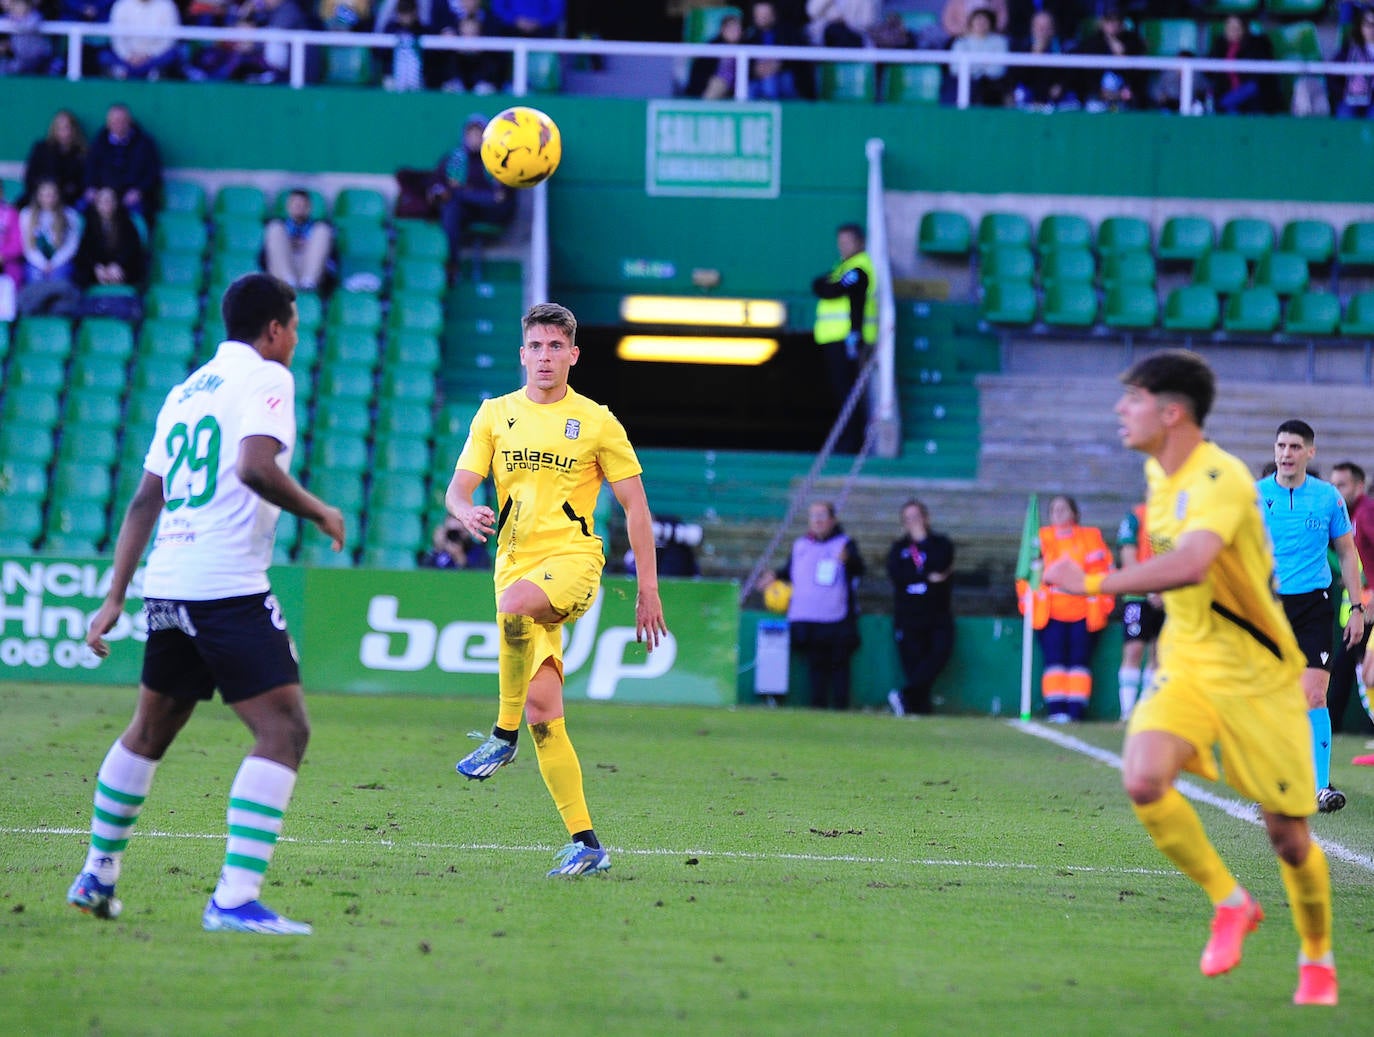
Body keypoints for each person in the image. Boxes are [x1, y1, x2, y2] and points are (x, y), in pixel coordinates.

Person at [1044, 350, 1338, 1007]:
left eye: (1134, 398)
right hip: (1187, 665)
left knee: (1288, 836)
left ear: (1171, 411)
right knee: (1143, 776)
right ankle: (1231, 902)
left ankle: (1317, 957)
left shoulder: (1221, 478)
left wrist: (1092, 582)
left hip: (1256, 675)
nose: (1121, 408)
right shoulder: (1157, 472)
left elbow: (1194, 562)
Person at [71, 272, 347, 935]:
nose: (296, 341)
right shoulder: (268, 378)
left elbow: (145, 500)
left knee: (150, 729)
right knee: (284, 730)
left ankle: (97, 872)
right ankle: (233, 899)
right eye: (296, 328)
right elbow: (255, 466)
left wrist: (116, 595)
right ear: (274, 329)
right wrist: (318, 509)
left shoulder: (186, 390)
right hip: (225, 582)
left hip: (169, 578)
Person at [445, 302, 668, 877]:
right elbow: (458, 488)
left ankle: (500, 733)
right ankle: (588, 843)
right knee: (546, 713)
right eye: (536, 347)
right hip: (513, 566)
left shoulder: (597, 421)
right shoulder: (494, 415)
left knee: (513, 610)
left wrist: (649, 588)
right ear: (523, 354)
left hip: (573, 561)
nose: (545, 357)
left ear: (573, 354)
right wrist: (465, 510)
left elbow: (636, 507)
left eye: (555, 347)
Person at [1257, 420, 1364, 813]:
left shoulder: (1327, 497)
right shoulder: (1255, 497)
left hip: (1316, 605)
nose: (1286, 453)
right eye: (1281, 446)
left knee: (1314, 694)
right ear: (1275, 450)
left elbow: (1348, 552)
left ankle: (1320, 788)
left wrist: (1357, 607)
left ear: (1310, 453)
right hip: (1268, 604)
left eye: (1295, 447)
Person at [1016, 494, 1112, 721]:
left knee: (1079, 662)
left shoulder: (1091, 537)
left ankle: (1076, 711)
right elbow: (1025, 576)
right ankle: (1056, 710)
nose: (1058, 513)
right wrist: (1027, 604)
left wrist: (1104, 605)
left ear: (1075, 513)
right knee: (1054, 661)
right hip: (1050, 613)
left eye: (1063, 508)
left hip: (1084, 612)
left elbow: (1105, 572)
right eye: (1054, 509)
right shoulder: (1040, 539)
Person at [762, 501, 866, 711]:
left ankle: (840, 709)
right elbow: (789, 571)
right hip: (807, 617)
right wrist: (773, 576)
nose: (817, 521)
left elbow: (859, 568)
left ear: (832, 520)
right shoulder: (801, 545)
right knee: (815, 666)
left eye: (822, 516)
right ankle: (816, 708)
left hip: (836, 618)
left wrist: (849, 560)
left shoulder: (844, 544)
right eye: (813, 516)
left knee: (839, 666)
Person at [886, 498, 955, 717]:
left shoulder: (941, 544)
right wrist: (925, 576)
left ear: (926, 518)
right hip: (909, 616)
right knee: (914, 665)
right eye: (908, 519)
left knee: (939, 653)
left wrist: (922, 543)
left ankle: (905, 695)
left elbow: (942, 567)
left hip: (937, 613)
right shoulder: (898, 549)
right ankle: (919, 712)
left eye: (916, 517)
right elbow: (898, 576)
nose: (912, 523)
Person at [810, 222, 875, 454]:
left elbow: (830, 289)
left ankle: (852, 442)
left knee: (849, 393)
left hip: (848, 340)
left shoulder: (858, 269)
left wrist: (854, 335)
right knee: (841, 392)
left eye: (848, 242)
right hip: (834, 339)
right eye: (841, 242)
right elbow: (819, 284)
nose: (843, 247)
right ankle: (846, 440)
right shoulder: (842, 267)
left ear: (860, 242)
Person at [1327, 461, 1374, 745]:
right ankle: (1328, 729)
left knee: (1352, 668)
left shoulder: (1366, 513)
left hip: (1370, 606)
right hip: (1365, 605)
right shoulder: (1351, 514)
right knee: (1350, 668)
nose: (1337, 491)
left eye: (1342, 485)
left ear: (1358, 485)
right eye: (1333, 485)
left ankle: (1327, 730)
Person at [434, 114, 517, 274]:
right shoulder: (454, 159)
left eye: (478, 134)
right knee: (452, 206)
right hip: (466, 211)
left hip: (492, 211)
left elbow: (502, 197)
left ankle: (461, 195)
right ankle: (451, 266)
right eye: (470, 134)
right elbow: (437, 183)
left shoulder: (498, 159)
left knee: (458, 196)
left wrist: (461, 192)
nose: (474, 138)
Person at [1114, 501, 1163, 723]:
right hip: (1137, 595)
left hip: (1168, 595)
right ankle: (1127, 712)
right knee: (1134, 650)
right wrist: (1148, 586)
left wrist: (1163, 588)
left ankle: (1147, 712)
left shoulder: (1180, 513)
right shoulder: (1135, 516)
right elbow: (1128, 555)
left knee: (1159, 653)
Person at [85, 103, 164, 221]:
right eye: (114, 121)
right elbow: (90, 169)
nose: (119, 125)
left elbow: (153, 174)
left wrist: (139, 191)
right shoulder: (99, 142)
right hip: (104, 194)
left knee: (138, 216)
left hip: (132, 195)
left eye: (122, 120)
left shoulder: (144, 143)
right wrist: (91, 188)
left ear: (129, 121)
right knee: (81, 210)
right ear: (108, 123)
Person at [18, 178, 82, 316]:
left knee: (60, 280)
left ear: (58, 195)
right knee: (35, 279)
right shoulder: (26, 214)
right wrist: (42, 264)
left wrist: (54, 263)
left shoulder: (70, 215)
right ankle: (36, 316)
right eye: (45, 195)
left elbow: (72, 245)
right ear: (38, 196)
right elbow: (28, 247)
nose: (49, 199)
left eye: (52, 194)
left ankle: (56, 317)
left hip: (61, 262)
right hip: (36, 263)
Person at [74, 185, 148, 290]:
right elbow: (84, 252)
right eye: (103, 201)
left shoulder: (127, 222)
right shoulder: (88, 224)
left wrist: (118, 265)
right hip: (97, 271)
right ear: (97, 204)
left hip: (121, 269)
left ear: (116, 203)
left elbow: (132, 249)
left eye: (110, 200)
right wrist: (97, 267)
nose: (107, 204)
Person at [1206, 14, 1281, 115]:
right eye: (1230, 28)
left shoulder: (1256, 44)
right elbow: (1208, 71)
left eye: (1237, 28)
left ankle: (1224, 104)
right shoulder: (1219, 46)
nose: (1233, 31)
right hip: (1227, 91)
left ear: (1244, 29)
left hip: (1251, 91)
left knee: (1248, 90)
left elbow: (1260, 76)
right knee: (1228, 106)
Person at [262, 188, 334, 293]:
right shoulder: (280, 225)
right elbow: (264, 258)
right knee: (274, 227)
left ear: (309, 208)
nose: (298, 207)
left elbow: (331, 260)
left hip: (309, 270)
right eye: (295, 204)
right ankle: (289, 282)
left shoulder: (317, 227)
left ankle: (308, 283)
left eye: (302, 204)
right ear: (288, 207)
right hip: (282, 272)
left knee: (323, 229)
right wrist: (289, 244)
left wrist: (306, 245)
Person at [1077, 6, 1145, 112]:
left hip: (1125, 97)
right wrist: (1099, 91)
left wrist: (1113, 42)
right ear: (1102, 22)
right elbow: (1087, 74)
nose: (1113, 24)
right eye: (1109, 20)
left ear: (1122, 23)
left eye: (1117, 20)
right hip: (1097, 97)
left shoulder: (1133, 41)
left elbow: (1135, 73)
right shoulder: (1092, 43)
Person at [432, 0, 504, 93]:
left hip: (483, 72)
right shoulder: (448, 20)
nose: (470, 2)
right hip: (456, 71)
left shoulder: (492, 21)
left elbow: (499, 57)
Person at [102, 0, 185, 81]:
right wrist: (128, 56)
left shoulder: (167, 5)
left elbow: (169, 39)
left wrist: (148, 54)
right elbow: (117, 38)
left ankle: (139, 73)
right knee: (105, 56)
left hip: (155, 57)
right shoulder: (121, 4)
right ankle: (133, 72)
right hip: (128, 57)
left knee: (173, 55)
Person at [21, 109, 88, 209]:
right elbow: (30, 177)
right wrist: (44, 193)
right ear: (53, 129)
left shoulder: (81, 154)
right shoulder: (41, 149)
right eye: (59, 128)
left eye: (67, 127)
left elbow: (81, 184)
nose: (64, 132)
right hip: (39, 199)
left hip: (69, 201)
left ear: (74, 130)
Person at [950, 7, 1009, 107]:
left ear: (991, 23)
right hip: (966, 81)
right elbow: (955, 69)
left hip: (991, 83)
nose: (981, 24)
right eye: (977, 20)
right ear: (971, 23)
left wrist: (974, 67)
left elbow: (998, 69)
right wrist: (983, 66)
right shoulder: (961, 42)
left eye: (985, 21)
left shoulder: (1000, 42)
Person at [1332, 8, 1374, 119]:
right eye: (1367, 24)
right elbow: (1333, 73)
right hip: (1351, 98)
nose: (1372, 29)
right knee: (1345, 115)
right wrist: (1342, 94)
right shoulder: (1349, 50)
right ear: (1360, 27)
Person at [0, 0, 53, 76]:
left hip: (37, 55)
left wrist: (14, 24)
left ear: (28, 7)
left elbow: (30, 26)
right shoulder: (7, 17)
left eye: (21, 6)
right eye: (16, 6)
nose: (18, 9)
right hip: (18, 55)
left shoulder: (35, 17)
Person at [421, 513, 490, 569]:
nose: (454, 536)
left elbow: (480, 579)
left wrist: (461, 560)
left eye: (459, 532)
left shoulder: (478, 553)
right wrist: (437, 547)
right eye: (451, 532)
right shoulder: (438, 552)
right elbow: (424, 574)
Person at [805, 0, 878, 47]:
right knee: (834, 31)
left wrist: (846, 21)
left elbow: (868, 21)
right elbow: (812, 12)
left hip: (854, 33)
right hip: (825, 33)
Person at [0, 191, 22, 322]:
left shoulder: (11, 214)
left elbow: (17, 244)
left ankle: (7, 328)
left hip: (7, 265)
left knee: (10, 282)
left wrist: (2, 255)